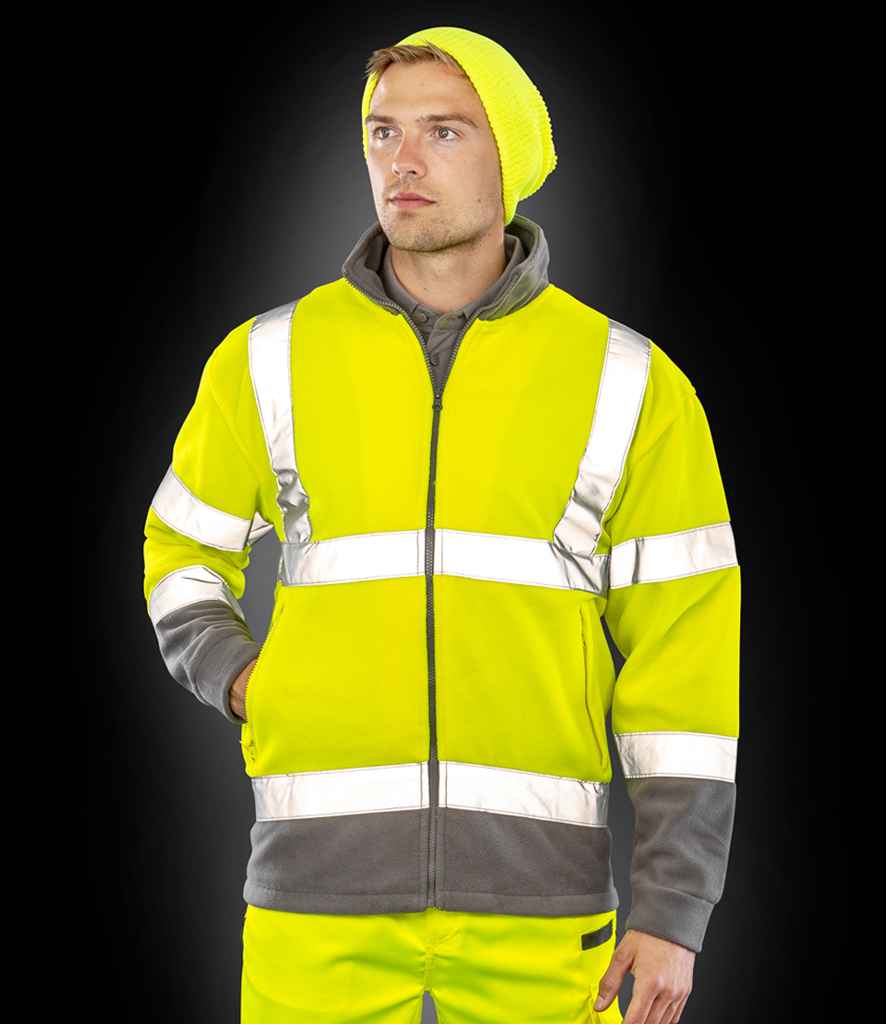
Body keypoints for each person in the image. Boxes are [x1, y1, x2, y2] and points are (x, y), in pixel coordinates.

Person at [143, 25, 740, 1024]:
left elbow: (686, 657)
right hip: (312, 901)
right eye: (383, 131)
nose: (403, 159)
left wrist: (675, 905)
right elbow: (181, 550)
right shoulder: (266, 359)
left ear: (513, 157)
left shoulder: (631, 383)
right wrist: (243, 678)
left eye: (444, 131)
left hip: (545, 912)